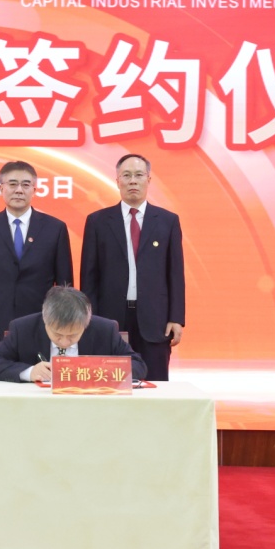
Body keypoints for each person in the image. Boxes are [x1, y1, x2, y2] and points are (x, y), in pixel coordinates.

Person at [80, 153, 184, 381]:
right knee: (109, 382)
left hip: (155, 319)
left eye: (139, 175)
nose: (133, 181)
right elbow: (89, 276)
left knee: (154, 382)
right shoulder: (98, 221)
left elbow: (175, 274)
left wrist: (176, 318)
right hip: (109, 318)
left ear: (149, 179)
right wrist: (89, 319)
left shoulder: (168, 221)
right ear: (117, 181)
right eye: (126, 175)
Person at [0, 160, 73, 353]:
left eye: (25, 184)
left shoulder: (55, 228)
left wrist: (64, 325)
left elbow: (65, 284)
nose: (19, 190)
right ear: (1, 188)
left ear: (34, 189)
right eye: (12, 184)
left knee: (41, 371)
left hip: (43, 322)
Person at [0, 287, 145, 382]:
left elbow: (139, 366)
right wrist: (30, 372)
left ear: (86, 324)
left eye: (73, 335)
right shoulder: (23, 328)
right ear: (45, 320)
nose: (64, 341)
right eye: (57, 334)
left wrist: (97, 371)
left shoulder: (105, 330)